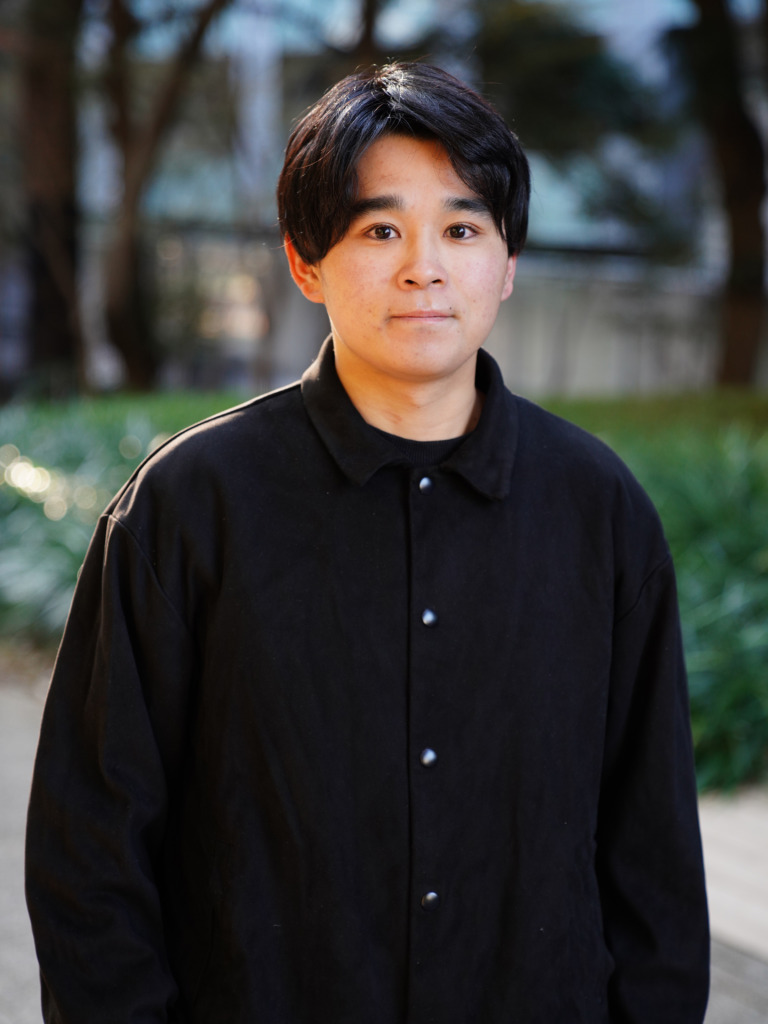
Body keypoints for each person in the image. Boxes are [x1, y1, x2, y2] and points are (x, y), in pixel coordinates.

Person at [26, 61, 709, 1023]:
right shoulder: (187, 508)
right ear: (305, 261)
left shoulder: (599, 511)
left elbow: (655, 863)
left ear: (508, 263)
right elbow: (89, 855)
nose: (423, 266)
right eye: (380, 230)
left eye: (462, 230)